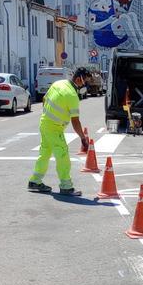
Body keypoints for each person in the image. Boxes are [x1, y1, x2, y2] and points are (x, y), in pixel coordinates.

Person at [27, 67, 90, 196]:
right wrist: (83, 138)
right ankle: (66, 186)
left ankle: (35, 181)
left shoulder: (58, 83)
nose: (86, 85)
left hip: (44, 123)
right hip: (54, 128)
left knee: (44, 154)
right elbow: (75, 121)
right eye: (86, 82)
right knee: (63, 156)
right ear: (79, 79)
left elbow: (44, 100)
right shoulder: (72, 96)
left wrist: (49, 115)